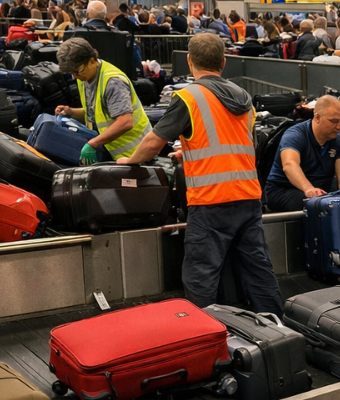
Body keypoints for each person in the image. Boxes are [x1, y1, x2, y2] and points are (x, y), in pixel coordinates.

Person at [115, 33, 282, 316]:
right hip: (248, 196)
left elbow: (154, 141)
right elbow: (243, 143)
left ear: (190, 61)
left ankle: (203, 337)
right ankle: (277, 327)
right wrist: (192, 149)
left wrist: (129, 159)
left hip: (211, 201)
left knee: (201, 273)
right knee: (258, 269)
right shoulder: (243, 97)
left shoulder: (189, 96)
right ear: (224, 62)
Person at [53, 38, 153, 164]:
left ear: (92, 60)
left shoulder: (112, 82)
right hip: (113, 154)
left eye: (77, 71)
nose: (74, 76)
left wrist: (94, 143)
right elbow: (97, 114)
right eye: (71, 73)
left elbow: (125, 121)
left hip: (136, 155)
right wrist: (71, 112)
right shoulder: (84, 78)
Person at [263, 96, 340, 212]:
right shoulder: (294, 135)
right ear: (317, 118)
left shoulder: (339, 139)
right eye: (334, 121)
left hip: (320, 193)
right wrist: (308, 189)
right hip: (283, 190)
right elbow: (289, 165)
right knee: (309, 205)